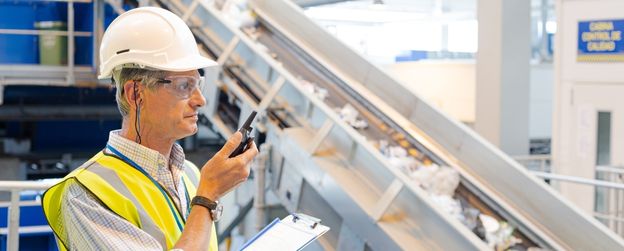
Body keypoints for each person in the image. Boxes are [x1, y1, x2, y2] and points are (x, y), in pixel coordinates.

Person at [41, 7, 258, 251]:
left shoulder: (190, 175)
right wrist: (207, 197)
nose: (200, 100)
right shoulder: (85, 195)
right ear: (135, 94)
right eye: (184, 86)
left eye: (199, 84)